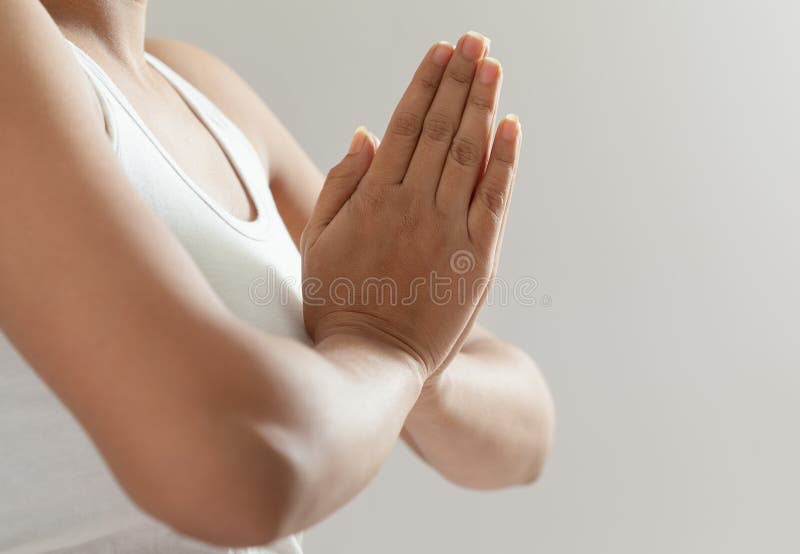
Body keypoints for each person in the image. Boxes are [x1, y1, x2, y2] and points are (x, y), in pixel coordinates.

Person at [0, 1, 555, 552]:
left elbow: (526, 435)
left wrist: (419, 363)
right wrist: (392, 347)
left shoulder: (202, 91)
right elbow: (232, 463)